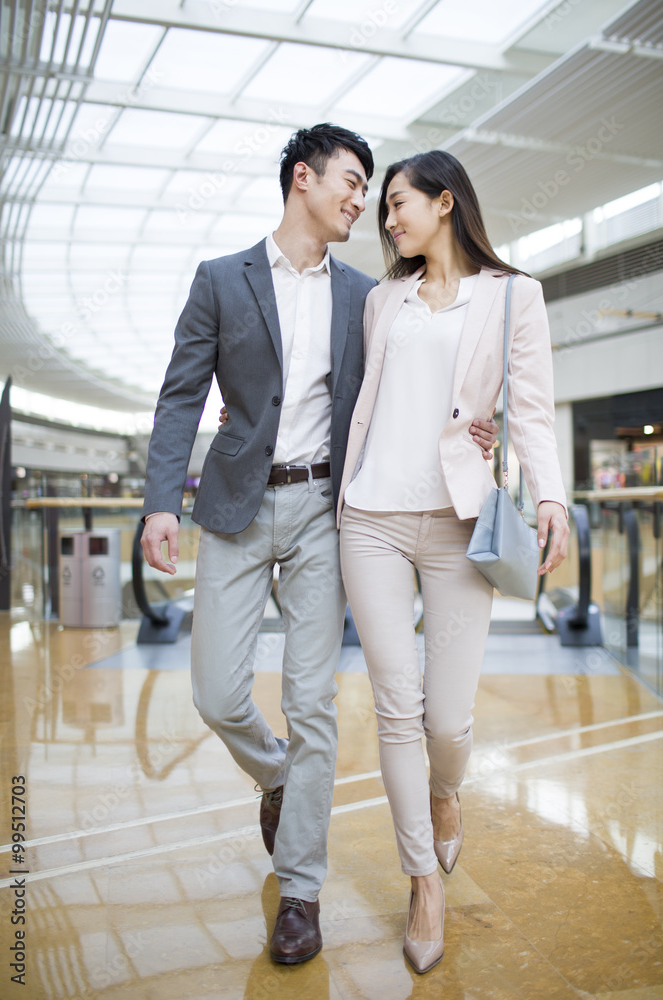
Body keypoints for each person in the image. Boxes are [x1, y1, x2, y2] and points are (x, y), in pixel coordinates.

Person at [141, 126, 498, 966]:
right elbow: (179, 396)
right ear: (301, 179)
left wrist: (473, 419)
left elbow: (424, 370)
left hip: (325, 512)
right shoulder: (219, 281)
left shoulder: (366, 296)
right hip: (234, 504)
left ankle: (300, 891)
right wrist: (161, 503)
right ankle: (276, 777)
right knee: (216, 695)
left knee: (313, 702)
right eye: (347, 181)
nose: (359, 200)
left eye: (370, 187)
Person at [337, 150, 569, 974]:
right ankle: (420, 883)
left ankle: (445, 789)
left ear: (444, 202)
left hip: (458, 520)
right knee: (395, 706)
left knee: (446, 721)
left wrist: (551, 497)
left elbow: (531, 410)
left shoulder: (514, 297)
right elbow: (365, 403)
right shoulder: (380, 299)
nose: (387, 220)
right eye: (381, 211)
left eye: (397, 204)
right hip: (370, 516)